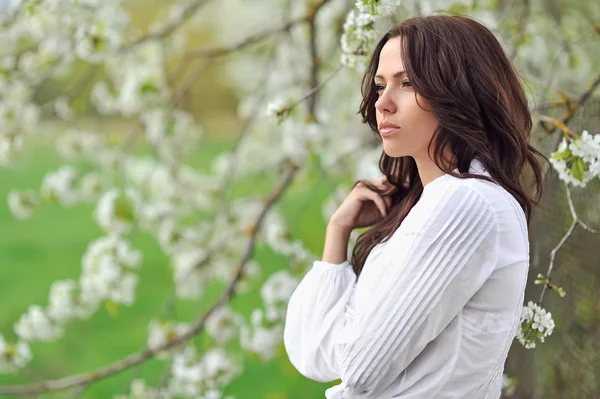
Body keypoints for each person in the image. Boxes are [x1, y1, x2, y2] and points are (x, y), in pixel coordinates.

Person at [283, 15, 549, 399]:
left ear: (458, 90)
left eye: (407, 83)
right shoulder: (433, 205)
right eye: (379, 86)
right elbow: (314, 356)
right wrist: (338, 232)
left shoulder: (466, 204)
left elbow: (358, 369)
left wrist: (357, 328)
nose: (383, 103)